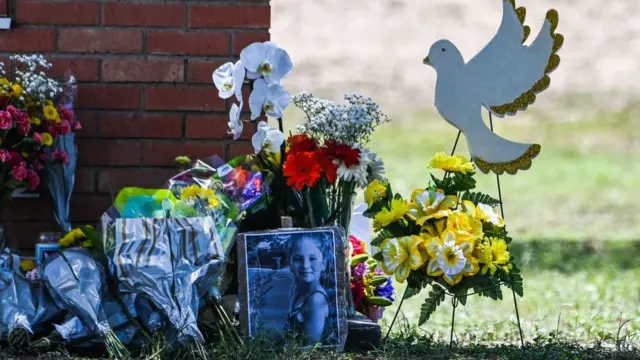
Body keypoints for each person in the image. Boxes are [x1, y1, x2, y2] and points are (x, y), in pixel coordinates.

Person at [285, 235, 331, 345]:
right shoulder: (298, 291)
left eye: (312, 259)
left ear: (323, 264)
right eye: (298, 259)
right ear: (290, 263)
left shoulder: (316, 300)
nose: (305, 265)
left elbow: (310, 346)